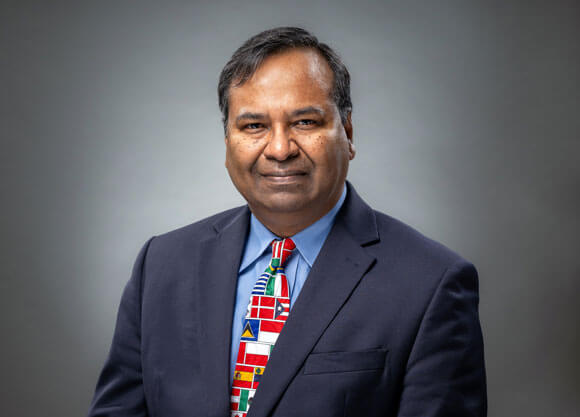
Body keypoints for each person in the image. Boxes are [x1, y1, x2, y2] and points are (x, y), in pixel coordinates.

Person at [88, 27, 486, 417]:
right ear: (227, 141)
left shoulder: (430, 284)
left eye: (305, 122)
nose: (279, 149)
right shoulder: (161, 266)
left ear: (347, 132)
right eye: (254, 126)